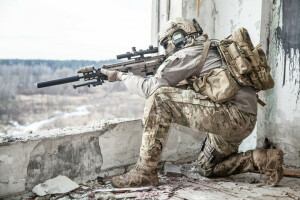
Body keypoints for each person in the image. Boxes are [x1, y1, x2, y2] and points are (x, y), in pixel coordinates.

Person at [101, 18, 283, 188]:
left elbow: (151, 88)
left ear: (177, 36)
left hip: (231, 117)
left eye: (166, 43)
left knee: (159, 98)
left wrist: (120, 76)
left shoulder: (189, 53)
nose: (167, 49)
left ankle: (144, 173)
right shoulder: (212, 48)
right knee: (207, 167)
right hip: (243, 120)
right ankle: (261, 159)